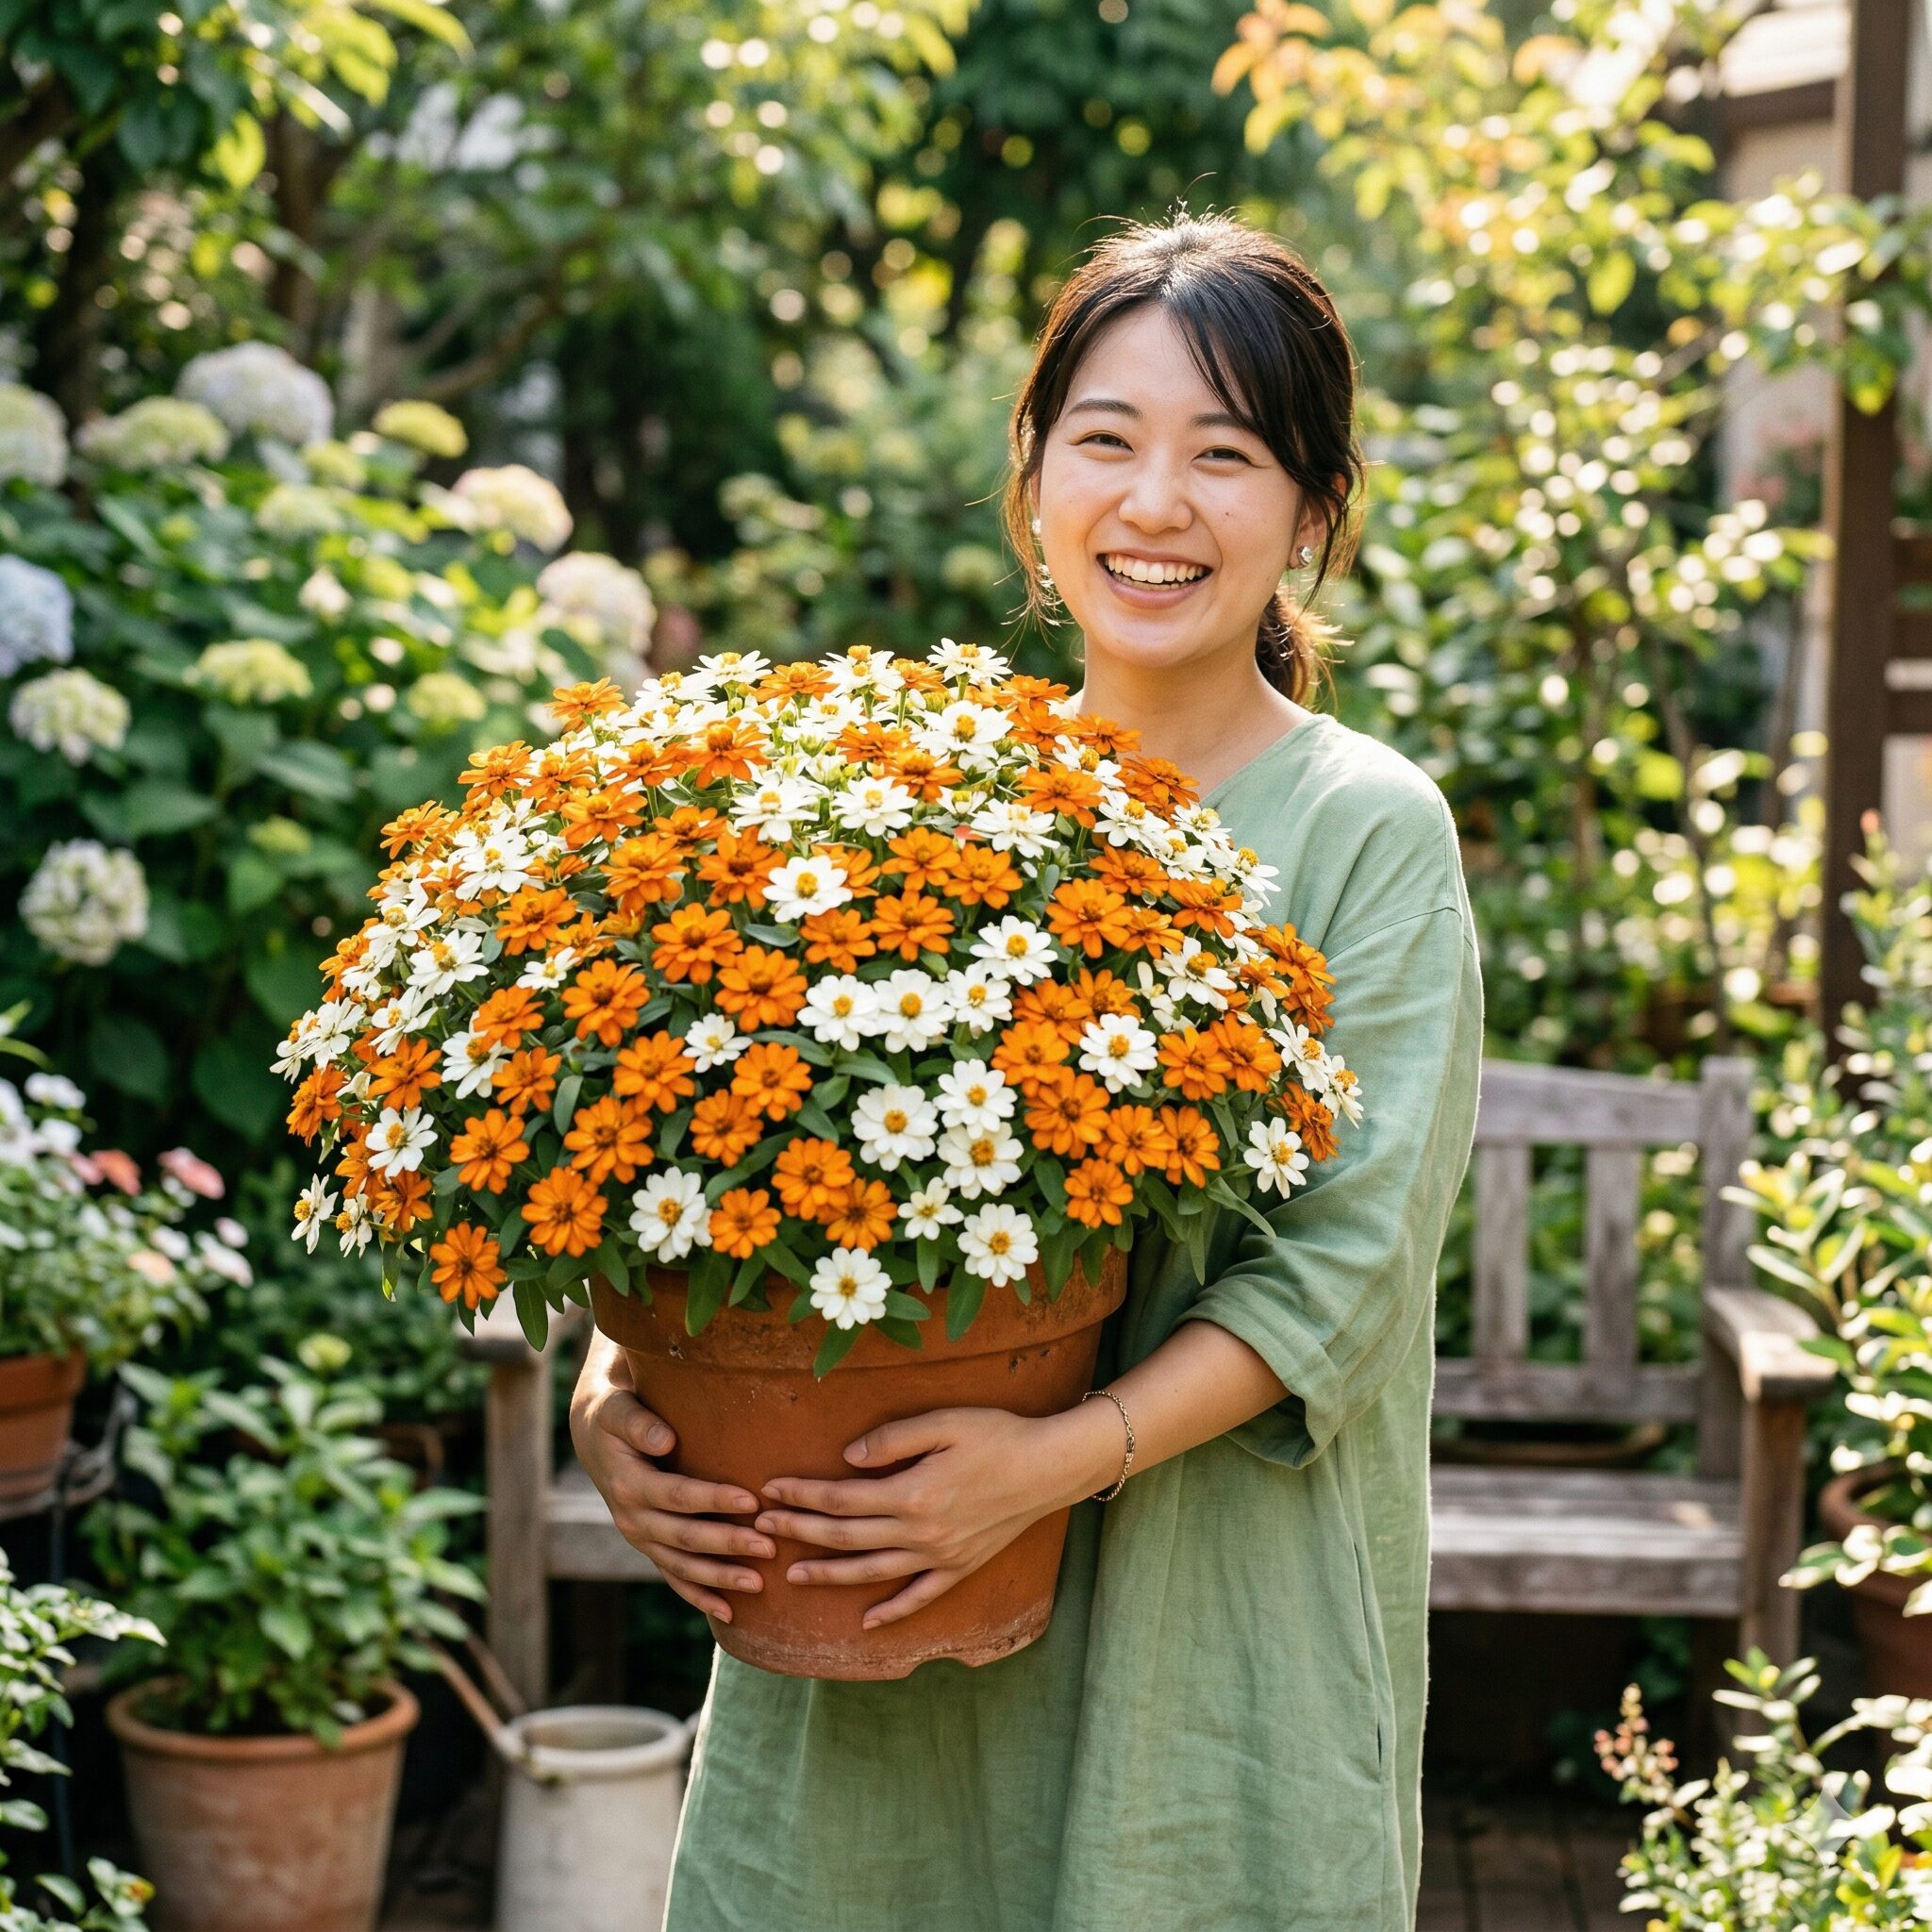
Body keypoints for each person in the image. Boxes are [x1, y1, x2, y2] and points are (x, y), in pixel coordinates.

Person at [570, 207, 1484, 1931]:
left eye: (1225, 455)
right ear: (1036, 472)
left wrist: (1046, 1464)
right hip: (870, 1623)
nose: (1156, 504)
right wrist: (616, 1401)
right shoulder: (920, 797)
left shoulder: (1365, 829)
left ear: (1312, 510)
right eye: (1108, 440)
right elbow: (692, 1146)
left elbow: (1345, 1273)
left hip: (1204, 1645)